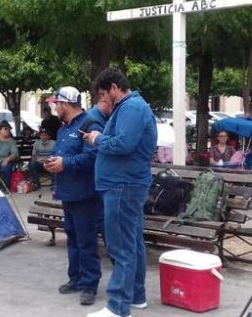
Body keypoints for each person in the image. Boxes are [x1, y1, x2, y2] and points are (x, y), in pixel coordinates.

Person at [84, 68, 158, 317]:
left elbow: (123, 144)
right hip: (124, 184)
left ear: (114, 88)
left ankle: (117, 306)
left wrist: (96, 139)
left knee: (120, 246)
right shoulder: (130, 107)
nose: (103, 99)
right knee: (132, 242)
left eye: (104, 94)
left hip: (123, 185)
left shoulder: (131, 108)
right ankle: (136, 295)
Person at [43, 86, 104, 306]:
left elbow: (94, 156)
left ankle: (90, 284)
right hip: (67, 192)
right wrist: (54, 163)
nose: (54, 107)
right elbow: (64, 155)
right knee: (73, 237)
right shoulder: (63, 128)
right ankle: (76, 278)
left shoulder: (90, 125)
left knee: (86, 240)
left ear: (65, 104)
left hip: (85, 194)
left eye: (56, 103)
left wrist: (65, 163)